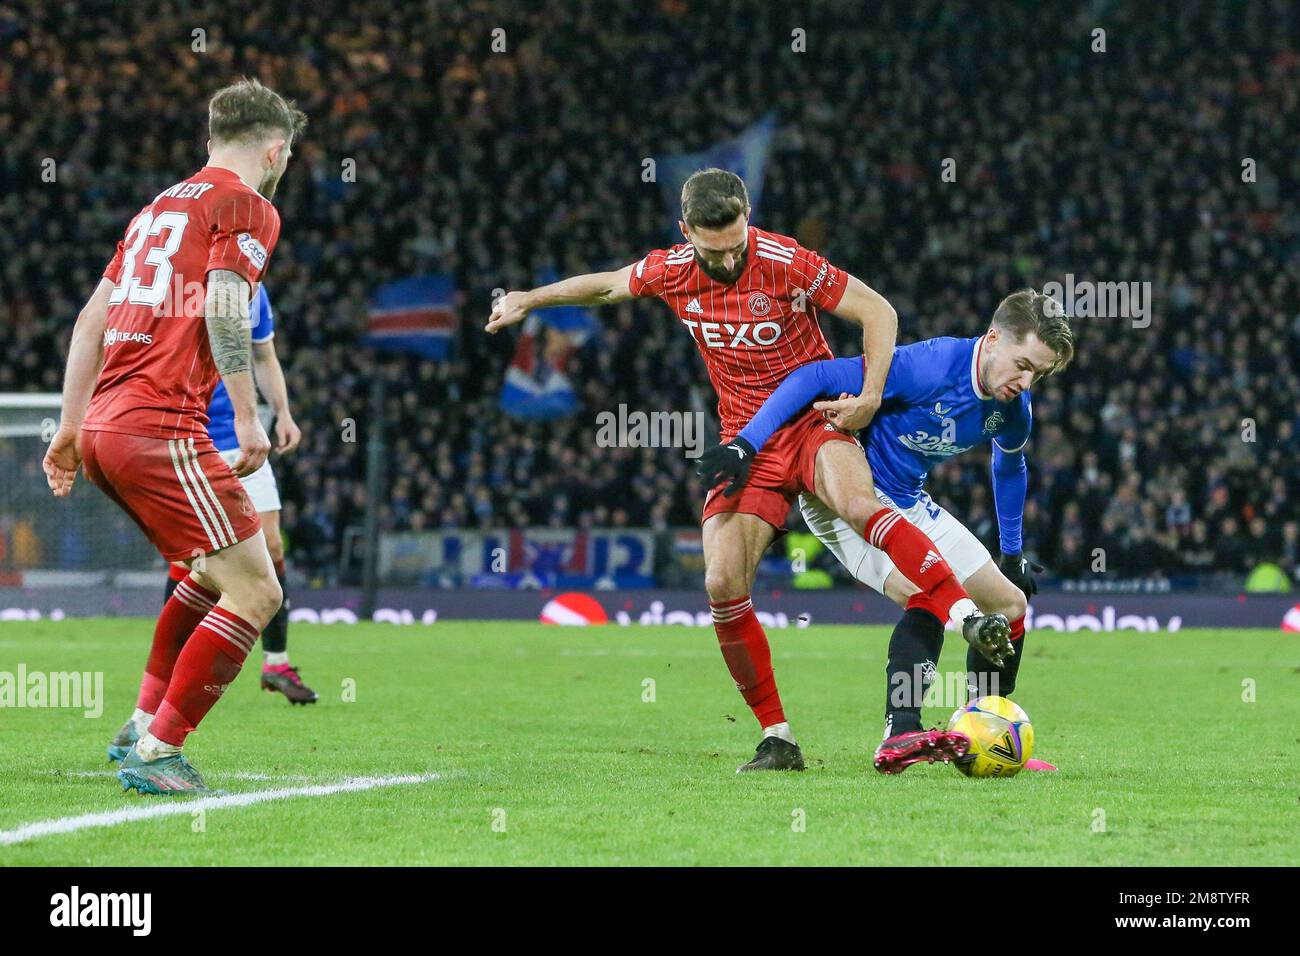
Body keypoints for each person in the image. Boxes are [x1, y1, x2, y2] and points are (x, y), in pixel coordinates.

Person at [487, 168, 1011, 773]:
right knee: (721, 583)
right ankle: (778, 738)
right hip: (747, 440)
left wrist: (868, 394)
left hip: (815, 420)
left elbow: (878, 311)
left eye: (738, 243)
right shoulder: (671, 271)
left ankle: (967, 616)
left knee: (860, 503)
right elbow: (606, 287)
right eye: (717, 250)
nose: (732, 259)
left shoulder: (784, 260)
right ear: (686, 233)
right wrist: (528, 299)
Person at [43, 78, 306, 794]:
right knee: (258, 593)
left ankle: (139, 724)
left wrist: (70, 427)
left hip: (105, 427)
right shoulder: (248, 205)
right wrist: (247, 415)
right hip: (161, 429)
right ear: (276, 150)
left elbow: (90, 322)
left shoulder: (156, 208)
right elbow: (227, 306)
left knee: (202, 575)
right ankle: (159, 750)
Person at [697, 289, 1074, 772]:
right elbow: (815, 375)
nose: (1025, 381)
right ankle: (901, 732)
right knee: (926, 593)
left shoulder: (1012, 408)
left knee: (1010, 606)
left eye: (1038, 374)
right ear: (994, 338)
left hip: (912, 502)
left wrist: (1012, 551)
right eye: (1022, 365)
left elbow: (1009, 463)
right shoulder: (931, 366)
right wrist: (748, 443)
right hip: (847, 497)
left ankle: (983, 730)